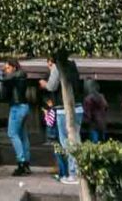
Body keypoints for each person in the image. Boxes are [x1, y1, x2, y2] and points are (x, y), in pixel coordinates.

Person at [40, 55, 84, 185]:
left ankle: (73, 173)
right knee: (76, 138)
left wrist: (45, 84)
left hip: (63, 108)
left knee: (67, 141)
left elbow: (52, 86)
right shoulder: (72, 65)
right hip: (78, 107)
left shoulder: (57, 66)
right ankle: (80, 170)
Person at [0, 58, 31, 176]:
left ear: (14, 67)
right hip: (23, 107)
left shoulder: (18, 74)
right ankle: (26, 163)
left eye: (9, 67)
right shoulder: (19, 75)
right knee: (22, 135)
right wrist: (3, 69)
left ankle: (21, 162)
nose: (7, 70)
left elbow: (3, 78)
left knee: (12, 133)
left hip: (17, 108)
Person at [83, 78, 108, 143]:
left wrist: (87, 119)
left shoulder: (88, 99)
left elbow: (87, 112)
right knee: (102, 140)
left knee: (94, 141)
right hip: (102, 121)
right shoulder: (101, 96)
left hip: (93, 122)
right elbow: (106, 107)